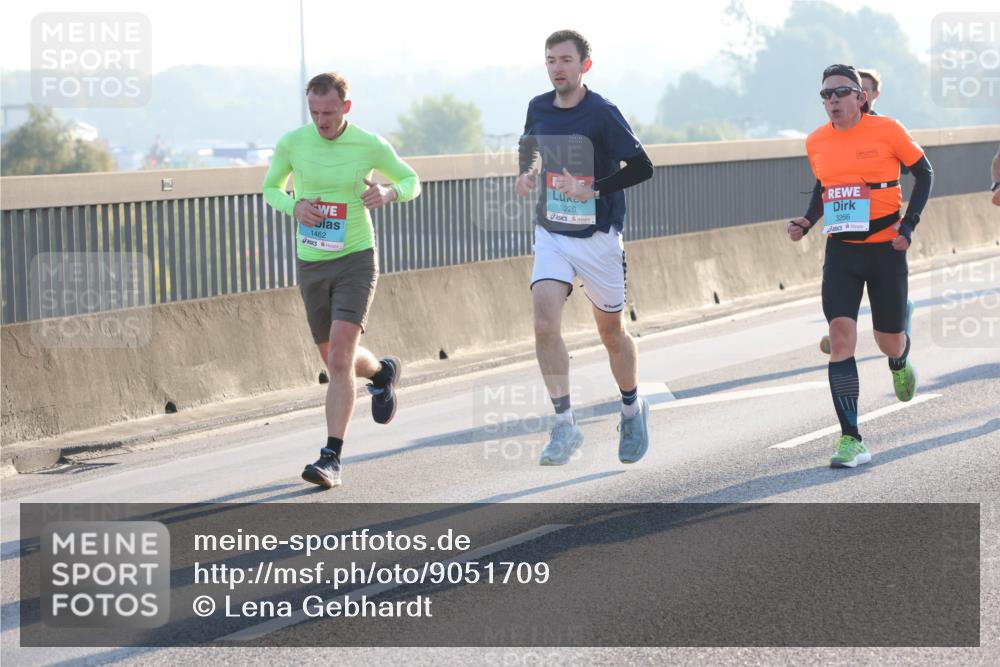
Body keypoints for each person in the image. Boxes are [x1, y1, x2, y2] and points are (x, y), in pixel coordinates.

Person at [263, 72, 421, 488]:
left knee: (338, 360)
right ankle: (383, 374)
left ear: (345, 107)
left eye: (329, 113)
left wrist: (389, 193)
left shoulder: (368, 143)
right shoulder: (292, 143)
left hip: (355, 258)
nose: (321, 121)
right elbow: (270, 189)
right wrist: (294, 206)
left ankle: (330, 457)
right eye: (314, 113)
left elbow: (411, 180)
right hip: (312, 261)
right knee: (337, 358)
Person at [515, 30, 654, 466]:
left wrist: (591, 189)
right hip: (552, 231)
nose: (558, 68)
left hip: (598, 237)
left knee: (610, 334)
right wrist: (527, 172)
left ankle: (632, 408)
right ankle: (564, 424)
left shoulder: (602, 113)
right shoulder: (538, 107)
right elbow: (530, 146)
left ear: (584, 66)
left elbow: (643, 167)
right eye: (551, 60)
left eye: (566, 60)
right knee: (543, 321)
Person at [788, 64, 933, 468]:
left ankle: (899, 358)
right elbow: (825, 188)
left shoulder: (888, 130)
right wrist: (807, 220)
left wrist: (910, 225)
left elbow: (925, 173)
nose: (831, 101)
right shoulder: (816, 141)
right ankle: (852, 439)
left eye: (840, 93)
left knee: (889, 341)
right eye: (825, 95)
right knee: (840, 339)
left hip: (886, 248)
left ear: (860, 97)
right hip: (842, 252)